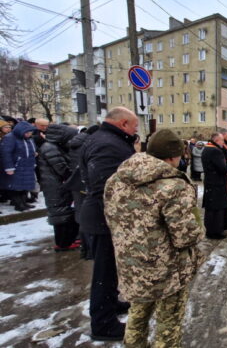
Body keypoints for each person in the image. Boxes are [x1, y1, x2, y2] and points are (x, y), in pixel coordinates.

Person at [104, 129, 205, 348]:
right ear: (171, 157)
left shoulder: (117, 179)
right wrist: (199, 230)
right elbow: (184, 236)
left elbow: (111, 217)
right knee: (169, 323)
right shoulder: (173, 185)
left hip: (132, 263)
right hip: (167, 269)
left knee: (137, 315)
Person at [80, 107, 138, 341]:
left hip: (105, 218)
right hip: (105, 219)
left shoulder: (105, 139)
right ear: (123, 124)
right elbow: (108, 188)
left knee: (111, 269)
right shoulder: (108, 144)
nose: (136, 131)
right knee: (103, 272)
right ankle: (103, 325)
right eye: (134, 126)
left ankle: (111, 303)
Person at [38, 124, 80, 251]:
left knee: (64, 212)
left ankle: (67, 240)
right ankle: (63, 243)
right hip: (55, 186)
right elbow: (61, 168)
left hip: (57, 185)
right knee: (60, 213)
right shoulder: (50, 148)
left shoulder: (54, 147)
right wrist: (73, 176)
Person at [67, 124, 99, 259]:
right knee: (86, 214)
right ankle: (86, 245)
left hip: (79, 182)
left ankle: (84, 244)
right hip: (84, 182)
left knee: (82, 212)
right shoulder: (88, 145)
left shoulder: (78, 143)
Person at [202, 133, 227, 239]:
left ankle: (210, 230)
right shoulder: (215, 151)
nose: (223, 143)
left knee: (211, 208)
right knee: (217, 208)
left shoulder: (207, 148)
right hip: (217, 183)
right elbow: (223, 168)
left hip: (210, 182)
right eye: (222, 141)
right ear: (216, 140)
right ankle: (215, 232)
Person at [1, 121, 37, 212]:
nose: (29, 134)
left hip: (27, 166)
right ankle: (18, 204)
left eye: (31, 132)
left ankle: (23, 202)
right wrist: (9, 167)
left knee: (24, 186)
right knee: (16, 187)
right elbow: (5, 154)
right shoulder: (10, 138)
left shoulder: (28, 139)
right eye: (28, 132)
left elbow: (31, 150)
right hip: (16, 166)